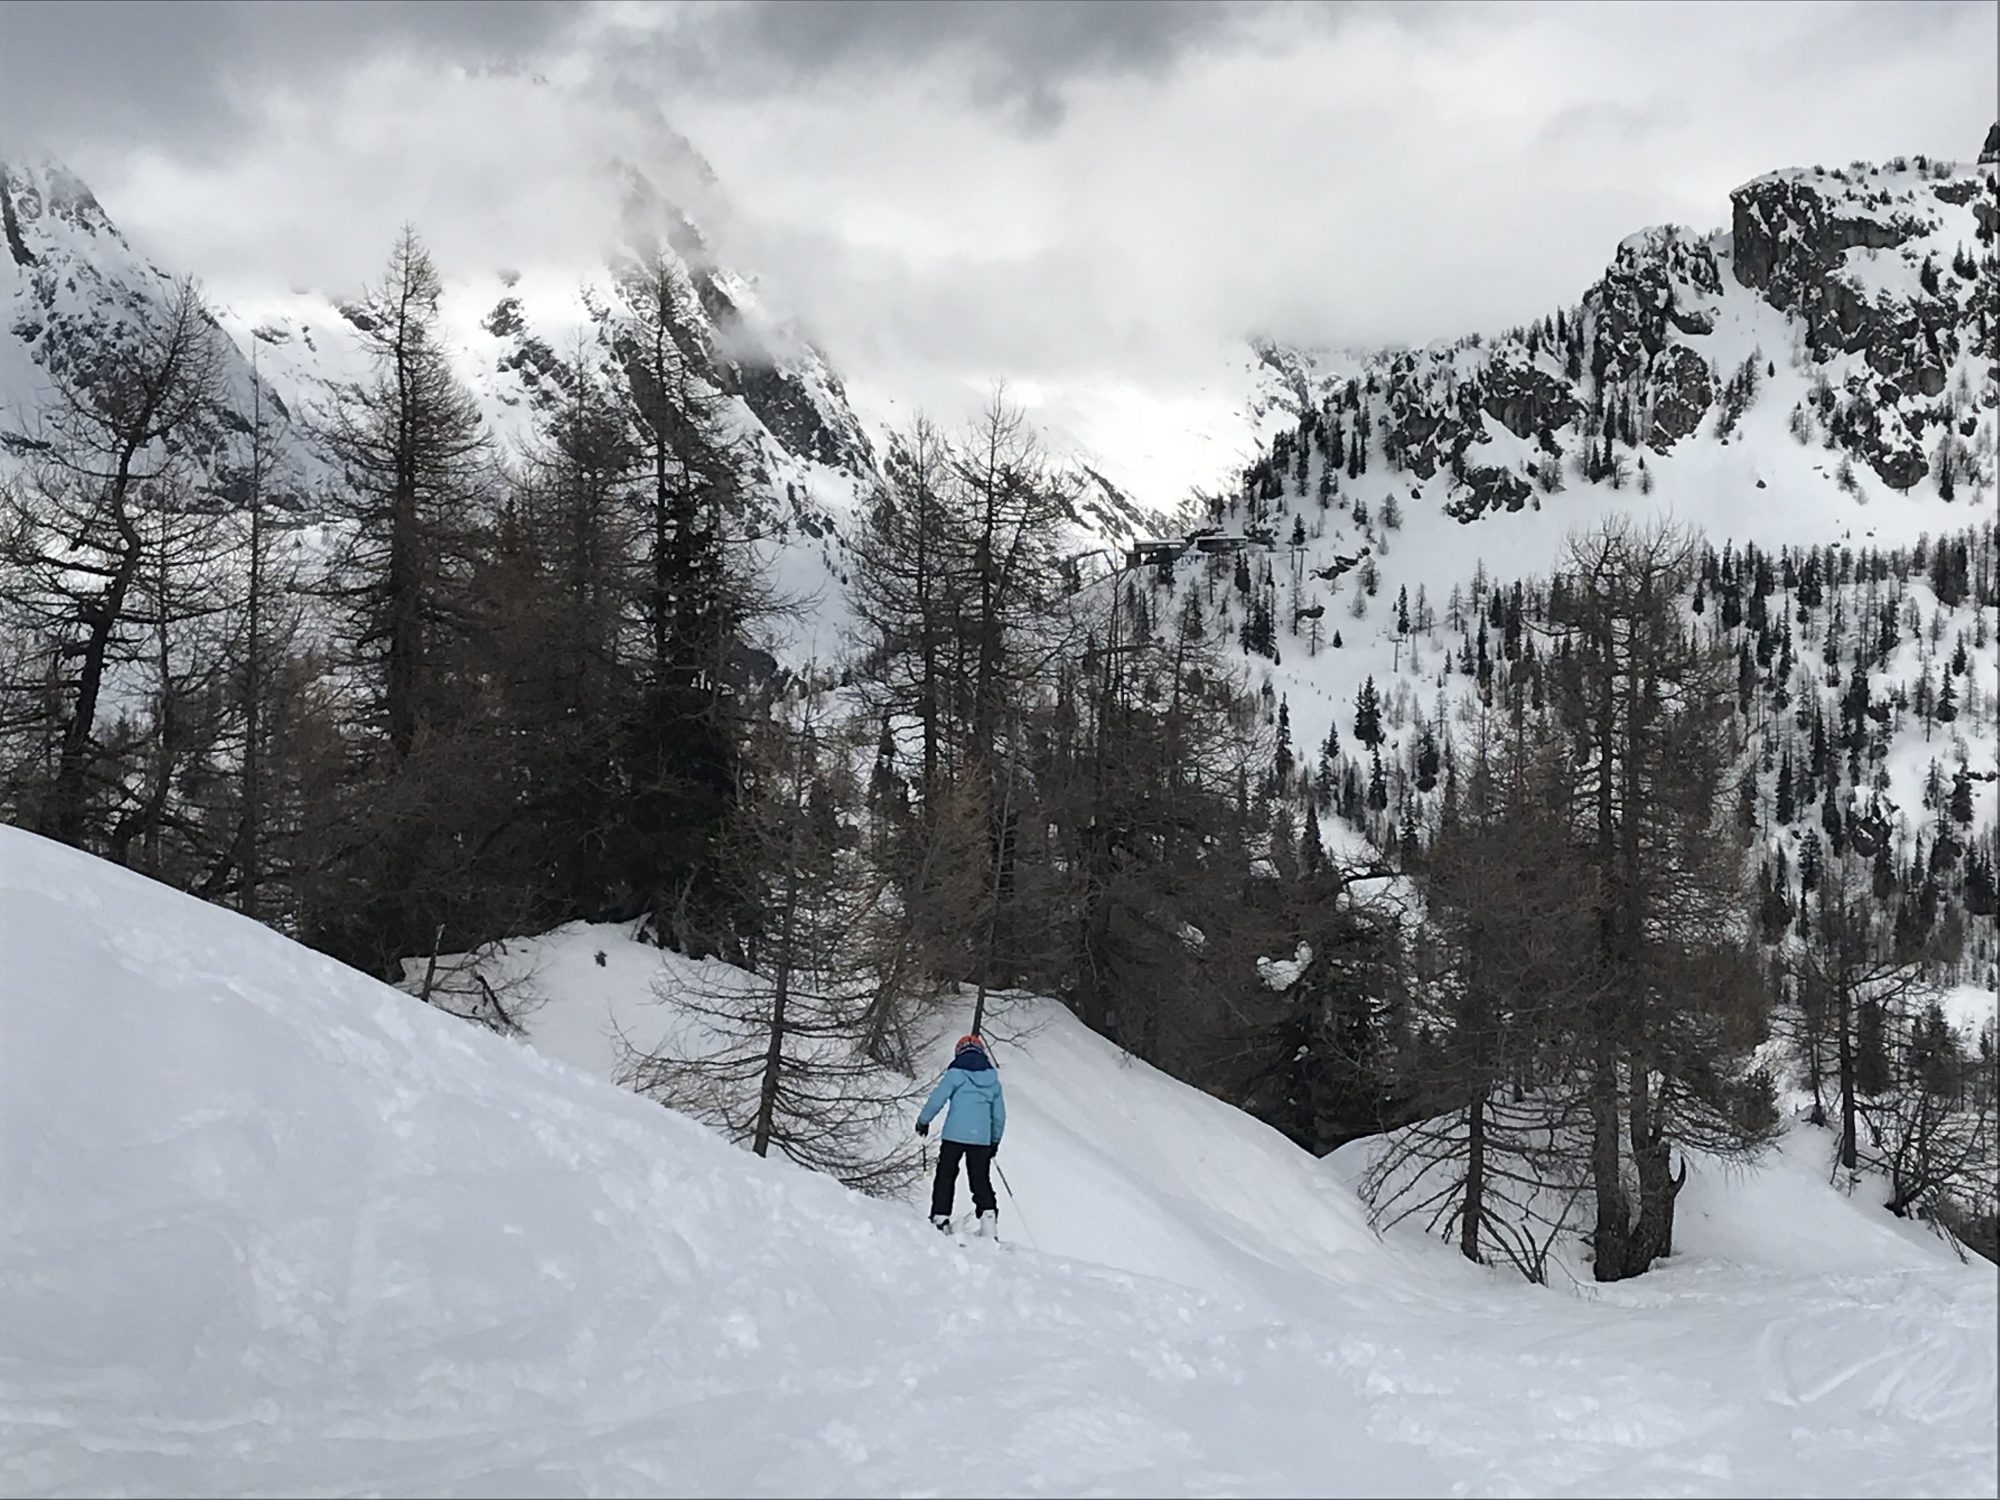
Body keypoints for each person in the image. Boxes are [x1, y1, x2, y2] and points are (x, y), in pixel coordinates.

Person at [916, 1033, 1006, 1235]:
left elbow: (937, 1099)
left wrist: (923, 1121)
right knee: (980, 1179)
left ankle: (941, 1216)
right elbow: (999, 1115)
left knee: (946, 1175)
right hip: (981, 1139)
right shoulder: (992, 1080)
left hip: (953, 1136)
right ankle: (988, 1220)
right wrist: (994, 1141)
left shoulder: (955, 1073)